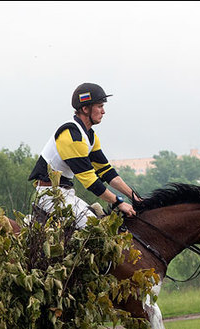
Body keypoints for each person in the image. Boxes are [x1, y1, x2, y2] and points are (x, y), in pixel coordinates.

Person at [28, 82, 141, 228]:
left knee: (101, 220)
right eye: (100, 106)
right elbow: (90, 181)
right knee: (95, 230)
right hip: (50, 196)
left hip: (65, 194)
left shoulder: (90, 136)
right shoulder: (71, 136)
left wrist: (135, 198)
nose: (103, 111)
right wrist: (119, 202)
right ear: (85, 108)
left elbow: (107, 173)